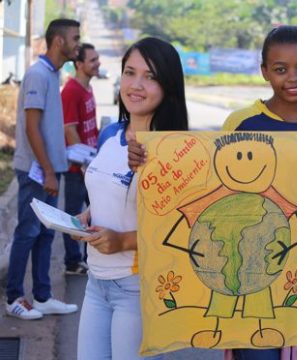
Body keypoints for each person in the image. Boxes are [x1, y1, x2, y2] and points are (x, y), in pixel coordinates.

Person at [221, 24, 297, 360]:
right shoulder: (241, 123)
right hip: (250, 275)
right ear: (265, 72)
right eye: (281, 69)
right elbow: (217, 192)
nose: (293, 78)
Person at [76, 37, 189, 360]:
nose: (136, 85)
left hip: (137, 289)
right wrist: (88, 212)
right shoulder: (110, 132)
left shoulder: (175, 151)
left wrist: (123, 240)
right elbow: (107, 184)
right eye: (129, 72)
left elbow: (180, 232)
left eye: (150, 76)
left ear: (168, 86)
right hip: (95, 281)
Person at [6, 18, 81, 320]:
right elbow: (32, 127)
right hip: (36, 171)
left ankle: (42, 296)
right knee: (28, 232)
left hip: (50, 169)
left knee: (46, 234)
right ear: (59, 41)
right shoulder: (38, 74)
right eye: (75, 38)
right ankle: (13, 298)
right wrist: (48, 170)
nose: (78, 43)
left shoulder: (53, 74)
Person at [61, 43, 100, 275]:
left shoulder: (88, 89)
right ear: (79, 64)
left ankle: (88, 257)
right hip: (77, 168)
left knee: (95, 211)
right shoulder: (72, 90)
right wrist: (85, 162)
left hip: (90, 165)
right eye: (92, 60)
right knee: (73, 215)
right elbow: (70, 130)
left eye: (97, 59)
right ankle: (72, 262)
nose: (98, 63)